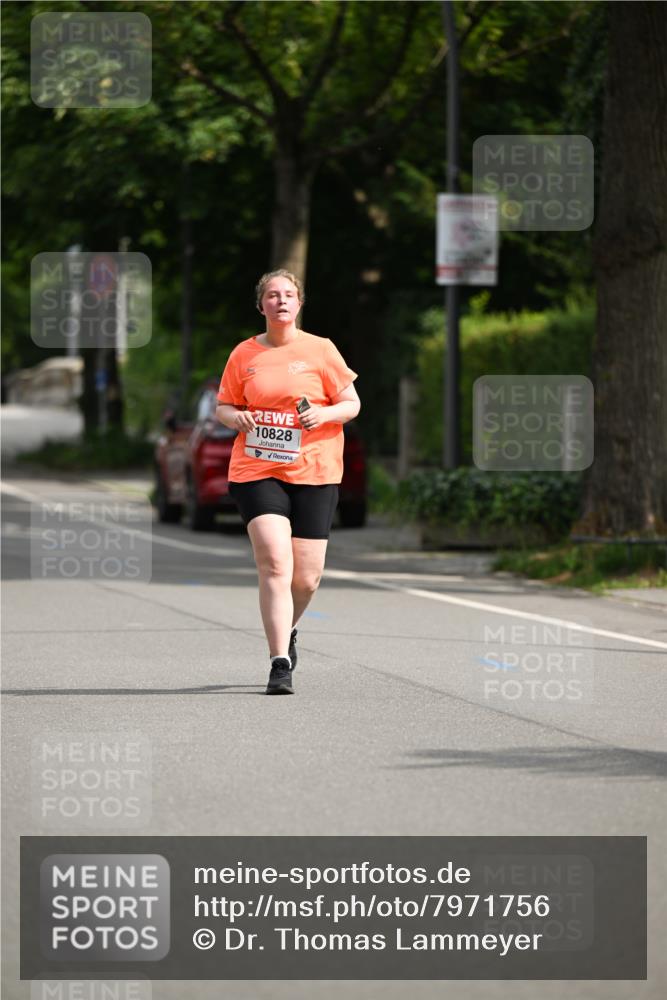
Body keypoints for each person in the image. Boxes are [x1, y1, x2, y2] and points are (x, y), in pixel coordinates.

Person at [215, 269, 361, 695]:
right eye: (273, 295)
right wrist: (236, 417)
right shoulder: (244, 354)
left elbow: (351, 402)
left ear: (299, 304)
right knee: (276, 564)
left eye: (289, 295)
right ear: (261, 305)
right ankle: (279, 662)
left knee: (307, 578)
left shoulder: (320, 350)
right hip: (257, 469)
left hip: (315, 471)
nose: (281, 301)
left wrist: (325, 414)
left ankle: (290, 628)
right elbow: (224, 406)